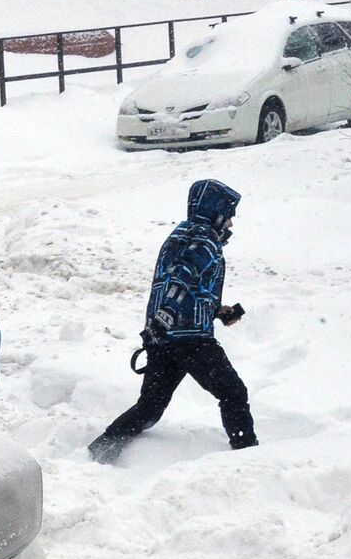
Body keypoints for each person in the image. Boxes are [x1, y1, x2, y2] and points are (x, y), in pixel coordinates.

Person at [88, 179, 256, 464]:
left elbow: (185, 285)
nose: (230, 224)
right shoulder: (205, 239)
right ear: (213, 212)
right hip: (191, 338)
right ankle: (248, 455)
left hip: (163, 338)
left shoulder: (182, 233)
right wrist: (166, 316)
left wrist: (216, 310)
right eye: (228, 216)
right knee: (233, 393)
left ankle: (99, 452)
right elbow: (182, 277)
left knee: (150, 407)